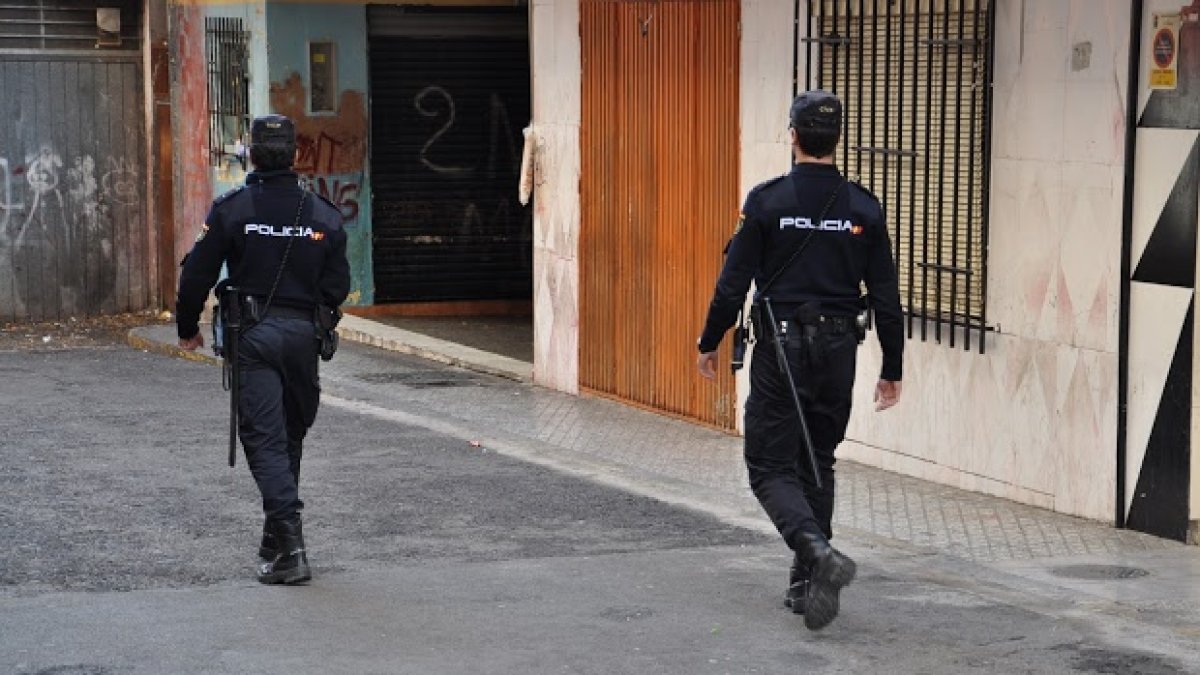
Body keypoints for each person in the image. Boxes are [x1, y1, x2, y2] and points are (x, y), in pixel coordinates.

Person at [695, 90, 903, 630]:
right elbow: (885, 295)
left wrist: (709, 340)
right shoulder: (863, 207)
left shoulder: (766, 202)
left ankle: (816, 553)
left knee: (768, 466)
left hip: (782, 349)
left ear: (792, 136)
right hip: (838, 349)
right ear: (836, 140)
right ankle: (806, 586)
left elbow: (732, 284)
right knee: (818, 460)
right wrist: (893, 368)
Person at [176, 114, 351, 585]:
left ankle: (292, 551)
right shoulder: (323, 215)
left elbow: (196, 274)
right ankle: (275, 539)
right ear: (295, 154)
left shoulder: (233, 209)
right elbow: (337, 287)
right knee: (288, 435)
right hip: (303, 339)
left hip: (253, 336)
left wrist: (187, 326)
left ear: (252, 153)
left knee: (266, 439)